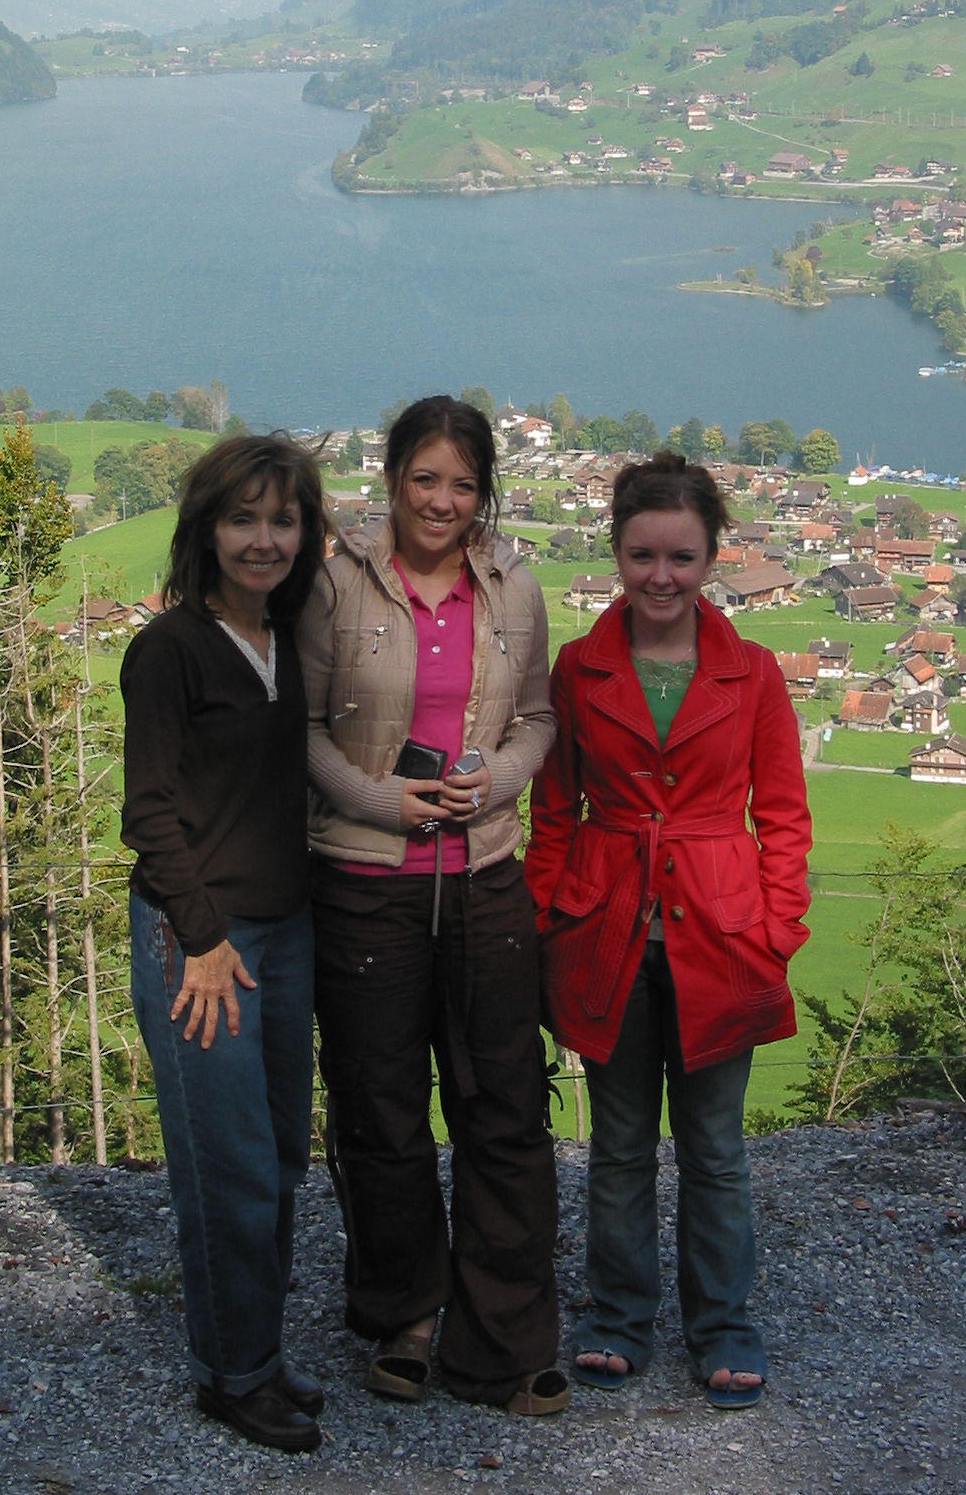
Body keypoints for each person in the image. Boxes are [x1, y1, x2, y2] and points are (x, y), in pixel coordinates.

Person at [526, 452, 813, 1409]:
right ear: (616, 551)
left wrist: (777, 931)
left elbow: (781, 813)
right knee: (616, 1145)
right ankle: (618, 1316)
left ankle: (724, 1323)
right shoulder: (580, 668)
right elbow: (554, 811)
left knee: (715, 1148)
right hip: (605, 928)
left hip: (722, 938)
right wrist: (546, 915)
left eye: (681, 557)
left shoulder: (752, 673)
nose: (661, 576)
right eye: (643, 555)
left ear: (710, 557)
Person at [300, 395, 568, 1417]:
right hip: (366, 879)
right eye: (425, 479)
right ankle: (404, 1309)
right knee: (380, 1109)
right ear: (393, 479)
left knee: (502, 1104)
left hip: (486, 873)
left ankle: (505, 1331)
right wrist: (382, 798)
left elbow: (537, 717)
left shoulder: (516, 591)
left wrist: (494, 782)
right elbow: (308, 730)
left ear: (483, 489)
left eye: (462, 482)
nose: (443, 500)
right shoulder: (334, 586)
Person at [120, 433, 328, 1455]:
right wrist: (199, 939)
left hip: (286, 934)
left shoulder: (291, 637)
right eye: (242, 518)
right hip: (200, 938)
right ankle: (230, 1374)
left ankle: (259, 1350)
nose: (263, 538)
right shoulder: (171, 648)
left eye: (281, 519)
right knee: (230, 1163)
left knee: (283, 1154)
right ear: (207, 528)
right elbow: (147, 812)